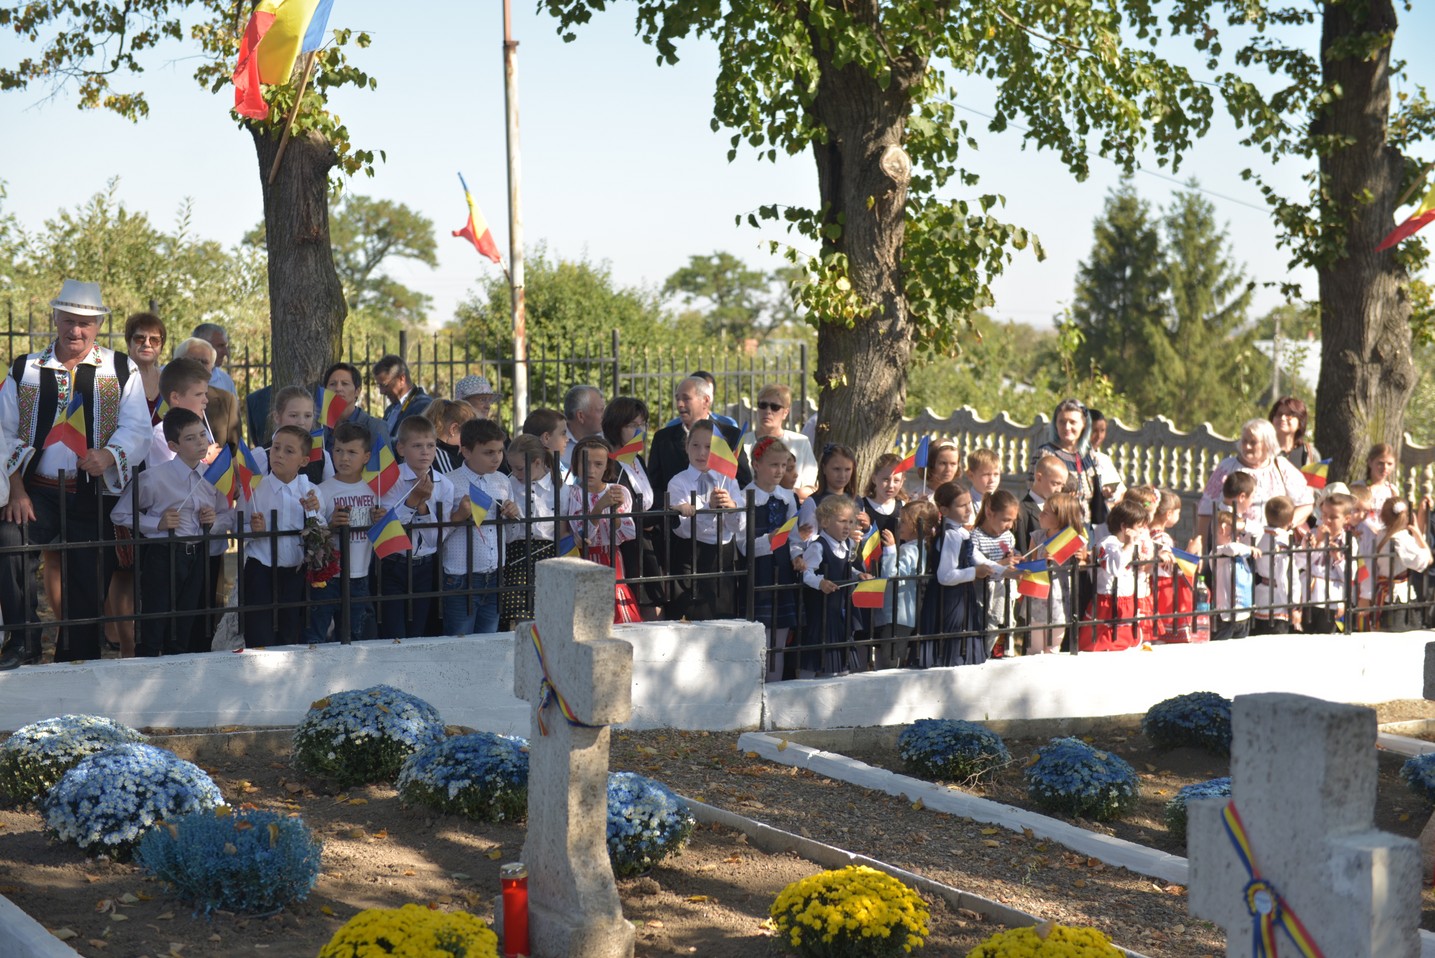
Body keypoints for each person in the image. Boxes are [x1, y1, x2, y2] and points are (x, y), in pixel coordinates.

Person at [0, 280, 151, 669]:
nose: (75, 330)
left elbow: (137, 428)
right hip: (34, 490)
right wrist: (15, 487)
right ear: (55, 318)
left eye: (84, 323)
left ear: (99, 324)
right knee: (9, 541)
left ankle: (77, 660)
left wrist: (108, 454)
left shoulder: (120, 367)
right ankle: (24, 640)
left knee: (87, 576)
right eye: (68, 320)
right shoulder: (26, 368)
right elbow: (4, 431)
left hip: (92, 491)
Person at [111, 407, 230, 656]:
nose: (200, 442)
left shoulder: (212, 477)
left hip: (197, 554)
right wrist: (157, 524)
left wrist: (214, 520)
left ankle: (178, 666)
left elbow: (227, 514)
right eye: (190, 438)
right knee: (156, 615)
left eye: (202, 435)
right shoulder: (154, 478)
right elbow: (119, 514)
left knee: (186, 617)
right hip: (163, 554)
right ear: (174, 446)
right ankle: (147, 664)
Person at [239, 424, 322, 648]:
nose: (279, 455)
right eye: (276, 448)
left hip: (296, 571)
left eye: (289, 451)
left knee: (290, 634)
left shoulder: (311, 491)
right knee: (258, 634)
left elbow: (321, 531)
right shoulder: (256, 488)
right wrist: (253, 530)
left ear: (303, 461)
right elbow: (237, 524)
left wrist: (313, 511)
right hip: (260, 569)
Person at [305, 421, 382, 644]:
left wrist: (380, 521)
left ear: (366, 457)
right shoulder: (322, 490)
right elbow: (312, 536)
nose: (344, 458)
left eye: (351, 452)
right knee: (316, 637)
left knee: (358, 638)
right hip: (328, 578)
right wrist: (330, 527)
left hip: (360, 577)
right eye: (338, 451)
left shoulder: (374, 490)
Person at [378, 416, 452, 639]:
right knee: (394, 632)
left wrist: (422, 509)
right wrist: (412, 502)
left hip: (425, 565)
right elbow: (389, 529)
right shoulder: (390, 479)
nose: (425, 452)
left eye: (430, 446)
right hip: (393, 564)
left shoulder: (444, 484)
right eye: (417, 446)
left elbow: (436, 537)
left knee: (417, 631)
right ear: (401, 448)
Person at [441, 419, 517, 635]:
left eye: (500, 451)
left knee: (489, 642)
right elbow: (435, 536)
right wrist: (458, 516)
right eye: (488, 452)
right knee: (459, 642)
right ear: (466, 451)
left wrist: (513, 517)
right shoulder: (449, 483)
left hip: (495, 574)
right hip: (460, 577)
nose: (497, 458)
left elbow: (511, 536)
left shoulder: (502, 481)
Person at [733, 436, 800, 679]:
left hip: (781, 570)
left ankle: (776, 687)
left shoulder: (787, 497)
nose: (780, 471)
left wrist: (797, 554)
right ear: (757, 464)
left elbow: (794, 538)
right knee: (758, 637)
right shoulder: (744, 496)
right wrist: (767, 542)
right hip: (758, 571)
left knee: (779, 639)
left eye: (784, 466)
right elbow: (741, 543)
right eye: (774, 465)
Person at [666, 420, 742, 621]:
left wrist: (731, 507)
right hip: (690, 558)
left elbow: (739, 526)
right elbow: (682, 529)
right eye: (696, 446)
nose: (702, 453)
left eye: (709, 447)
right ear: (686, 446)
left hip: (723, 558)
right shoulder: (678, 482)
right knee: (692, 620)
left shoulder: (729, 481)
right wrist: (709, 508)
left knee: (723, 621)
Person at [563, 435, 641, 624]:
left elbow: (628, 534)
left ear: (607, 466)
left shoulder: (618, 490)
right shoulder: (572, 493)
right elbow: (584, 534)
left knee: (617, 609)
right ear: (575, 464)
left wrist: (614, 511)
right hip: (583, 558)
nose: (591, 470)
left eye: (598, 464)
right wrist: (599, 508)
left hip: (611, 556)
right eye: (585, 463)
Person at [914, 482, 992, 668]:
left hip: (960, 598)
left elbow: (980, 559)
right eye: (961, 505)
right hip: (949, 600)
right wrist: (975, 572)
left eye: (969, 503)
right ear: (944, 510)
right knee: (951, 650)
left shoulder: (962, 532)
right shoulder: (951, 535)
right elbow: (945, 575)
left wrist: (1008, 571)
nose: (968, 509)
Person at [1197, 418, 1313, 543]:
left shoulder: (1281, 467)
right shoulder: (1227, 467)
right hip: (1233, 547)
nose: (1247, 446)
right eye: (1244, 441)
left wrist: (1286, 525)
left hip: (1272, 547)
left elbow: (1306, 503)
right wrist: (1201, 547)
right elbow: (1206, 510)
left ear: (1267, 444)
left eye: (1253, 442)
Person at [602, 396, 665, 618]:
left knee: (655, 613)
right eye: (632, 425)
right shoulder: (609, 464)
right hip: (625, 550)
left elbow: (647, 502)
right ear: (615, 426)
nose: (639, 431)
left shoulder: (637, 460)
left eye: (642, 425)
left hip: (647, 548)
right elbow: (624, 513)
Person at [798, 494, 870, 677]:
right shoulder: (818, 547)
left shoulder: (845, 546)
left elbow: (846, 567)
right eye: (842, 521)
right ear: (825, 522)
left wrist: (857, 574)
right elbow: (806, 573)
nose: (847, 527)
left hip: (839, 611)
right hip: (821, 612)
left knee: (841, 665)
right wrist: (820, 582)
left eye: (851, 522)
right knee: (817, 661)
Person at [648, 376, 750, 499]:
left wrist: (727, 504)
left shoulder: (731, 436)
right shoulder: (663, 439)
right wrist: (675, 507)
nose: (680, 404)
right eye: (678, 399)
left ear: (706, 401)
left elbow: (744, 484)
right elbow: (653, 488)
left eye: (686, 399)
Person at [1078, 498, 1150, 652]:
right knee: (1103, 646)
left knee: (1126, 644)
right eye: (1139, 527)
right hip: (1109, 603)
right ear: (1125, 527)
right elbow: (1115, 567)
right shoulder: (1107, 543)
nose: (1142, 531)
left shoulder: (1131, 546)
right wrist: (1129, 545)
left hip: (1127, 601)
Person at [502, 433, 559, 626]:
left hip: (550, 556)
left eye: (520, 468)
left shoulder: (560, 489)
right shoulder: (507, 486)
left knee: (549, 617)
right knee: (518, 619)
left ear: (537, 462)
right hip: (516, 557)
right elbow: (505, 535)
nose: (515, 473)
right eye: (512, 468)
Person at [874, 499, 938, 668]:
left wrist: (890, 550)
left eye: (904, 521)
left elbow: (891, 575)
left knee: (891, 660)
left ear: (917, 527)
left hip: (898, 614)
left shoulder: (910, 549)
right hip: (904, 613)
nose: (899, 524)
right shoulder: (921, 547)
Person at [1029, 398, 1110, 527]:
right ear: (1055, 424)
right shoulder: (1046, 453)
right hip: (1057, 527)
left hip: (1086, 526)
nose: (1067, 427)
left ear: (1084, 424)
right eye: (1062, 422)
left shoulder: (1089, 454)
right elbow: (1034, 491)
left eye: (1072, 422)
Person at [1361, 497, 1432, 632]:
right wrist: (1417, 533)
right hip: (1398, 596)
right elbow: (1426, 560)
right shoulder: (1401, 538)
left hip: (1382, 594)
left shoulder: (1381, 535)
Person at [1026, 492, 1085, 654]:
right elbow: (1029, 564)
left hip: (1060, 599)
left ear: (1060, 518)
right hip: (1038, 596)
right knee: (1035, 649)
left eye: (1046, 512)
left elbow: (1084, 565)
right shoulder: (1037, 537)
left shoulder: (1073, 540)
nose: (1040, 514)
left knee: (1053, 648)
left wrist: (1081, 559)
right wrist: (1041, 561)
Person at [742, 384, 817, 500]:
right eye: (762, 405)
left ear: (786, 412)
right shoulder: (743, 442)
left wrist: (784, 494)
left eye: (775, 407)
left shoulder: (801, 442)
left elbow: (810, 488)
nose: (768, 411)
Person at [173, 337, 242, 453]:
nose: (198, 366)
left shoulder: (226, 400)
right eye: (193, 361)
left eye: (204, 362)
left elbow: (235, 450)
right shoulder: (164, 396)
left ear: (212, 369)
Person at [253, 386, 334, 484]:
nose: (301, 422)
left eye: (307, 416)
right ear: (277, 417)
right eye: (294, 415)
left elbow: (329, 495)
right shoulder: (261, 455)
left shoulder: (323, 456)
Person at [1252, 496, 1299, 634]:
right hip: (1278, 600)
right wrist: (1291, 605)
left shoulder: (1260, 536)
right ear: (1290, 521)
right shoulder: (1282, 542)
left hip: (1261, 596)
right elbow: (1282, 576)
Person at [321, 362, 388, 453]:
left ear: (357, 391)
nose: (338, 388)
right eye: (332, 384)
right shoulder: (318, 427)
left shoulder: (375, 428)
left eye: (345, 384)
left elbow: (385, 466)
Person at [1016, 455, 1069, 554]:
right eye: (1055, 483)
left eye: (1062, 485)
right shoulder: (1021, 511)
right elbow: (1022, 551)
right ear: (1039, 477)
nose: (1059, 490)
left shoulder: (1061, 510)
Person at [372, 355, 432, 438]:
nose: (381, 391)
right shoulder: (390, 410)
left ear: (402, 379)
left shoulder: (423, 406)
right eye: (379, 385)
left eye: (384, 385)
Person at [426, 398, 476, 476]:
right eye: (469, 435)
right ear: (453, 429)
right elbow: (454, 485)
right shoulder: (437, 455)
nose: (471, 441)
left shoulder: (449, 454)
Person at [560, 385, 605, 471]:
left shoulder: (607, 440)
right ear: (581, 416)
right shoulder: (555, 442)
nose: (605, 415)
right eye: (600, 410)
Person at [1268, 396, 1319, 469]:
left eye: (1289, 415)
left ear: (1300, 423)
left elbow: (1315, 480)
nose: (1282, 418)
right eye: (1279, 414)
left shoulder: (1309, 453)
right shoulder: (1262, 450)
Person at [905, 439, 960, 503]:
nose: (948, 469)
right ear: (930, 464)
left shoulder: (960, 495)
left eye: (953, 464)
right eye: (943, 463)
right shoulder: (917, 496)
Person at [191, 322, 235, 394]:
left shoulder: (226, 381)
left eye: (225, 346)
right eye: (220, 346)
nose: (226, 353)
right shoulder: (173, 378)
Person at [961, 448, 1002, 513]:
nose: (992, 480)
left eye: (996, 474)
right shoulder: (963, 503)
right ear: (970, 475)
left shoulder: (1002, 503)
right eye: (986, 474)